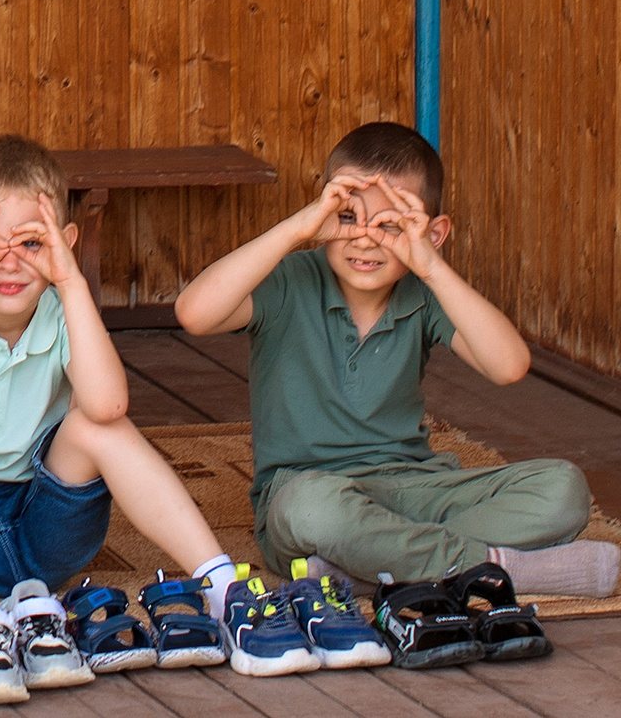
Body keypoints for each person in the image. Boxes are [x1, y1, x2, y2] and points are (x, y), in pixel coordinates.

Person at [174, 121, 614, 598]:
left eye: (391, 225)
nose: (365, 240)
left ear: (434, 232)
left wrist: (430, 265)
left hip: (417, 488)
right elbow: (194, 314)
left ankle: (367, 570)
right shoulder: (290, 281)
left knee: (562, 490)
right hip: (310, 493)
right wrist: (297, 229)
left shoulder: (423, 293)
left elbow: (508, 366)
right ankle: (495, 568)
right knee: (310, 509)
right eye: (348, 217)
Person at [0, 135, 243, 666]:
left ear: (63, 241)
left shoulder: (66, 312)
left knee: (96, 425)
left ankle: (221, 583)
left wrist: (71, 280)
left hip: (46, 537)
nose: (8, 263)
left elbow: (109, 406)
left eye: (32, 245)